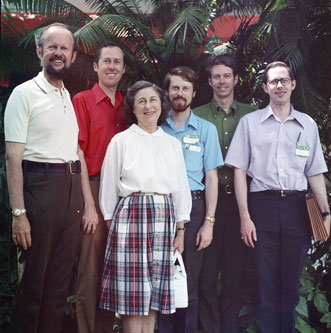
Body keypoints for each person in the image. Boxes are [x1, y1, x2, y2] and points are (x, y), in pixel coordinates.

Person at [225, 61, 330, 333]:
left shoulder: (306, 125)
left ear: (293, 84)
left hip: (297, 207)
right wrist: (245, 216)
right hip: (262, 207)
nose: (280, 85)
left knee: (290, 282)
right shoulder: (250, 124)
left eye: (284, 80)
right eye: (274, 81)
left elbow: (315, 173)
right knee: (265, 280)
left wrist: (326, 213)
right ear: (265, 87)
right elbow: (239, 172)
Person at [4, 23, 86, 332]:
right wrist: (19, 214)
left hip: (70, 192)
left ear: (73, 57)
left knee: (58, 288)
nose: (58, 53)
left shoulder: (68, 97)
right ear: (39, 52)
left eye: (64, 48)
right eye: (51, 46)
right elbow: (13, 158)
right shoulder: (24, 94)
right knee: (32, 289)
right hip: (38, 189)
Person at [98, 80, 192, 333]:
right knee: (132, 297)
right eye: (141, 101)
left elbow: (181, 187)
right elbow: (108, 186)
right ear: (133, 108)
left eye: (152, 100)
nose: (148, 106)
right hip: (129, 219)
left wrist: (180, 230)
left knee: (154, 295)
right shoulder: (121, 140)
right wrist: (111, 222)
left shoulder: (171, 143)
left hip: (164, 218)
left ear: (161, 105)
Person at [193, 55, 257, 332]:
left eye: (226, 75)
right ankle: (209, 327)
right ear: (209, 81)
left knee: (234, 273)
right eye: (216, 76)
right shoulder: (197, 115)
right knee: (206, 275)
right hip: (209, 201)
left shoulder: (252, 115)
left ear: (236, 79)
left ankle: (229, 327)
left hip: (242, 201)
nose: (221, 81)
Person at [159, 66, 223, 333]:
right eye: (175, 87)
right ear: (167, 92)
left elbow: (212, 178)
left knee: (189, 281)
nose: (180, 93)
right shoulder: (157, 130)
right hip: (161, 209)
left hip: (195, 211)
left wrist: (209, 222)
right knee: (162, 280)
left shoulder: (206, 130)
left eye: (185, 88)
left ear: (194, 93)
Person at [72, 41, 127, 333]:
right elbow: (78, 153)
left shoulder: (127, 105)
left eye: (117, 62)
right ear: (95, 66)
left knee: (113, 271)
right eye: (106, 61)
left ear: (123, 69)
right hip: (92, 190)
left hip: (122, 196)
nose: (111, 67)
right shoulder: (82, 100)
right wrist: (89, 205)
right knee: (90, 271)